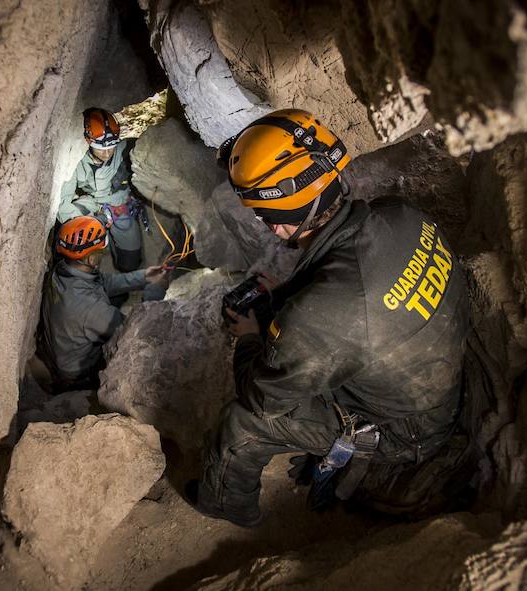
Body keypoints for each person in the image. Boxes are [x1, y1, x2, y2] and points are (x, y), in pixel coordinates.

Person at [187, 109, 471, 527]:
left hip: (405, 433)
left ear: (279, 222)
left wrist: (249, 336)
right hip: (427, 377)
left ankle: (223, 505)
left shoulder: (320, 315)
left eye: (259, 213)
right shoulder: (399, 213)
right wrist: (279, 298)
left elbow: (264, 399)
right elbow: (343, 292)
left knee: (244, 424)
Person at [38, 216, 168, 390]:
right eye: (101, 251)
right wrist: (154, 296)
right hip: (78, 372)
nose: (103, 253)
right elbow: (131, 331)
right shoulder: (90, 309)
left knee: (118, 297)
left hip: (61, 348)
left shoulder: (64, 270)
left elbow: (103, 282)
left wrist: (143, 277)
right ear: (91, 260)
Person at [57, 107, 144, 272]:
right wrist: (94, 223)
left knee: (130, 261)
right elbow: (63, 203)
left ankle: (123, 274)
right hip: (93, 204)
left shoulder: (126, 149)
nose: (107, 153)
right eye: (100, 148)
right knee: (75, 232)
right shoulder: (76, 160)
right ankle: (86, 273)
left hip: (119, 204)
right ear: (89, 141)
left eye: (111, 147)